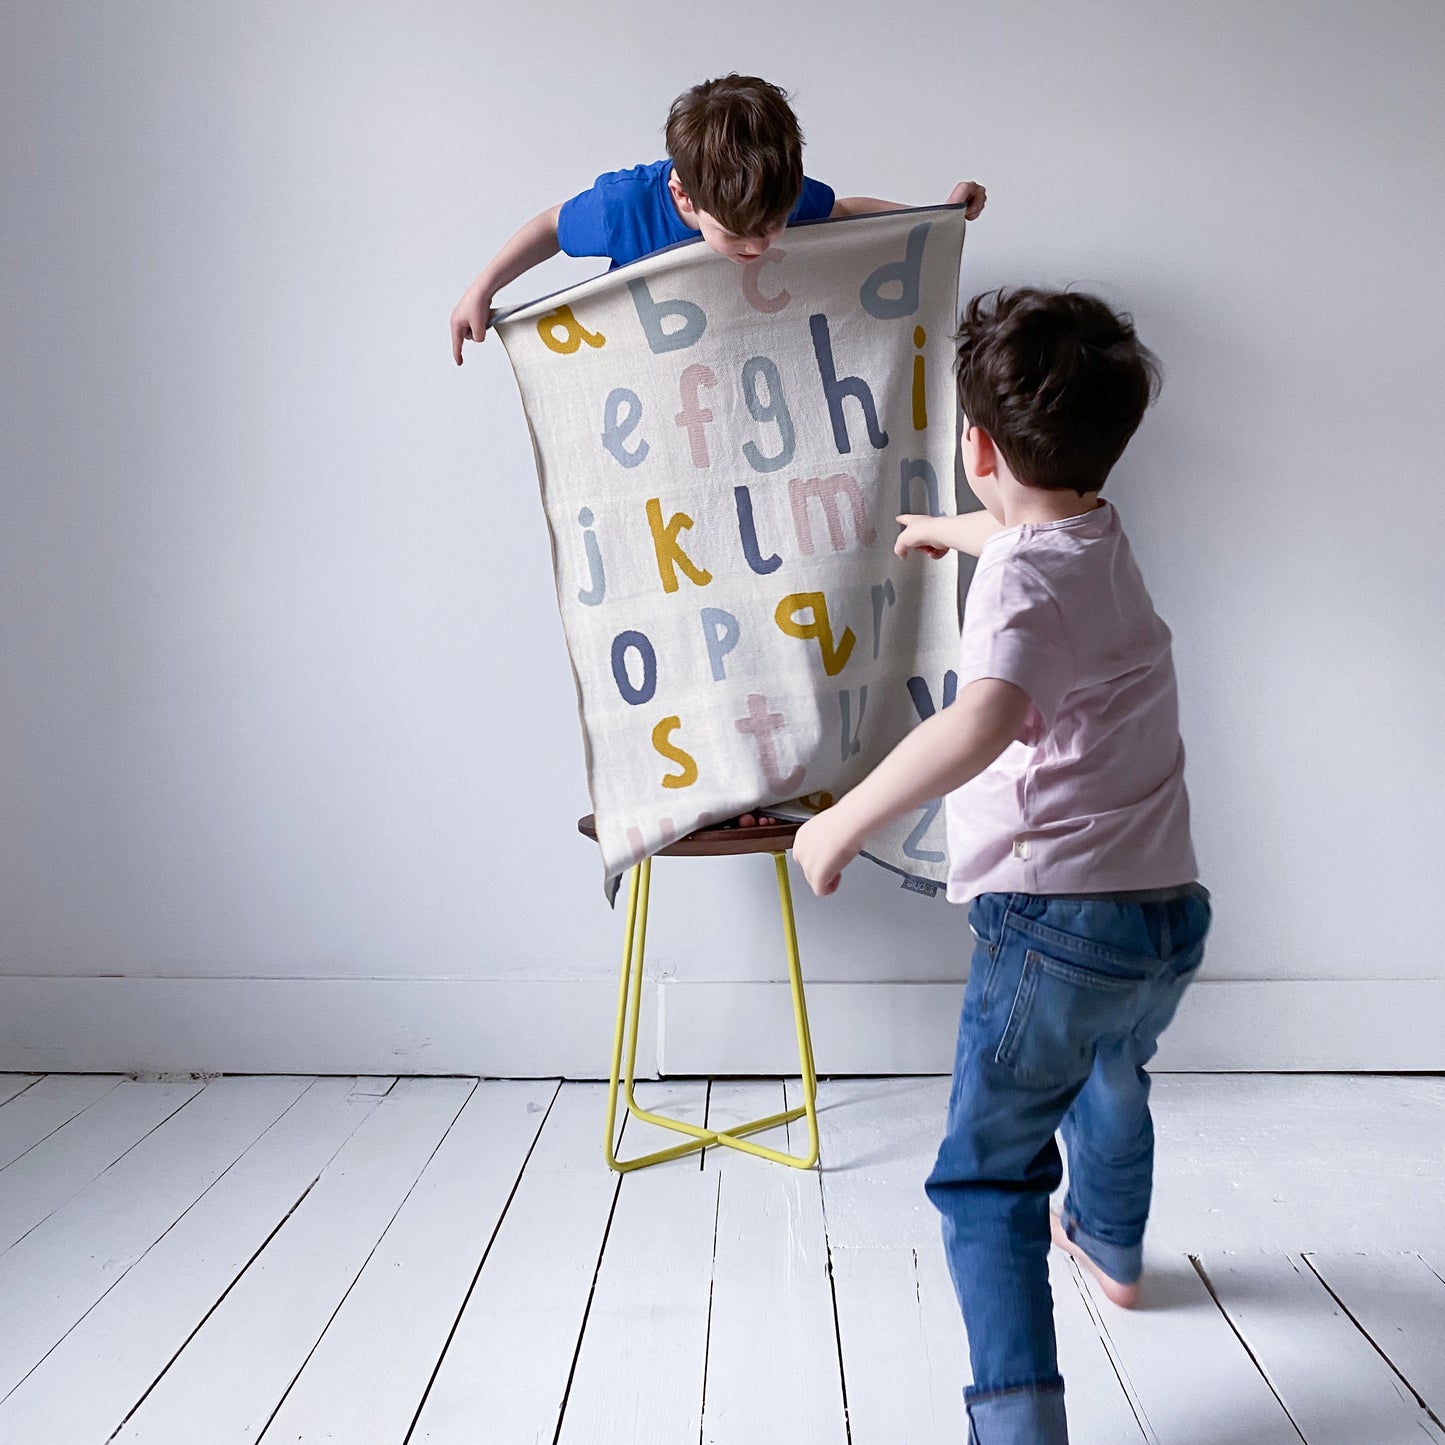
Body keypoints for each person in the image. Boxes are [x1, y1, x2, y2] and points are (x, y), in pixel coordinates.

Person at [792, 287, 1209, 1445]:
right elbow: (1024, 532)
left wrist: (838, 820)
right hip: (1164, 915)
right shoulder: (1094, 538)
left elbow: (979, 720)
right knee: (1110, 1065)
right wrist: (946, 529)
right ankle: (1115, 1244)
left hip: (1053, 925)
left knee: (985, 1178)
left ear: (976, 445)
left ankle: (1017, 1428)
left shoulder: (1023, 586)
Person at [449, 72, 986, 365]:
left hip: (748, 358)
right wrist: (481, 286)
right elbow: (551, 227)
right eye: (734, 234)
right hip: (660, 368)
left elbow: (846, 212)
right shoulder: (623, 208)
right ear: (683, 195)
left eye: (771, 228)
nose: (756, 248)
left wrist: (938, 216)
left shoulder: (776, 193)